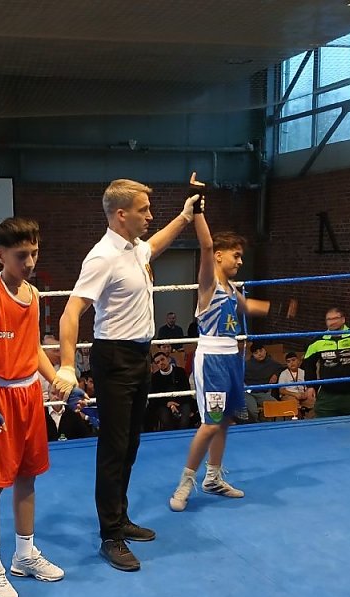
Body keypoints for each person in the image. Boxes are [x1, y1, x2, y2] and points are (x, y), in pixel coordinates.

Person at [53, 177, 200, 572]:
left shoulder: (135, 248)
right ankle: (110, 535)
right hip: (114, 357)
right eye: (143, 210)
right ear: (121, 215)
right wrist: (66, 364)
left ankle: (120, 517)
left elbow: (158, 244)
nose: (150, 216)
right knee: (114, 447)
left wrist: (185, 216)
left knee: (132, 442)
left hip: (139, 356)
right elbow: (71, 312)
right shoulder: (102, 256)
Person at [0, 217, 63, 597]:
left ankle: (24, 555)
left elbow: (33, 348)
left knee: (27, 477)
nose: (30, 262)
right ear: (0, 254)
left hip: (29, 395)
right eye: (22, 255)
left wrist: (58, 381)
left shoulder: (34, 295)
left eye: (34, 253)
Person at [168, 184, 252, 512]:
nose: (240, 261)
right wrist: (198, 209)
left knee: (226, 419)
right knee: (211, 422)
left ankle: (213, 477)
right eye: (236, 255)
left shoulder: (232, 288)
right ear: (219, 255)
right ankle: (185, 481)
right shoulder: (209, 283)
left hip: (232, 358)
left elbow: (248, 309)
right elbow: (205, 245)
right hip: (212, 360)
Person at [302, 308, 350, 417]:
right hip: (328, 394)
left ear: (343, 319)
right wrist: (310, 386)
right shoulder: (317, 341)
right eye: (329, 319)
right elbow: (308, 364)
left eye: (335, 318)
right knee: (324, 424)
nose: (332, 322)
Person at [147, 348, 194, 431]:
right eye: (158, 362)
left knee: (184, 420)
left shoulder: (180, 372)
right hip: (164, 404)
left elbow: (186, 390)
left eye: (162, 359)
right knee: (165, 419)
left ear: (168, 359)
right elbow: (154, 398)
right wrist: (168, 403)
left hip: (182, 401)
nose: (161, 363)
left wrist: (176, 403)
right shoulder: (155, 378)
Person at [244, 342, 284, 421]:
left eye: (261, 351)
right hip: (248, 393)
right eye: (256, 353)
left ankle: (277, 427)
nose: (259, 354)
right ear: (253, 355)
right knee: (253, 411)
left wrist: (275, 374)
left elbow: (280, 368)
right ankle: (256, 427)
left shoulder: (272, 363)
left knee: (278, 407)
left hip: (262, 393)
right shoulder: (246, 365)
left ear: (265, 350)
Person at [277, 351, 315, 416]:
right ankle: (298, 420)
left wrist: (306, 393)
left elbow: (309, 387)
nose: (291, 363)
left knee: (312, 401)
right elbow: (281, 390)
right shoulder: (283, 373)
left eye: (293, 360)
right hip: (290, 395)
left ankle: (310, 420)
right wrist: (295, 394)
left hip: (302, 394)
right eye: (288, 362)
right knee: (293, 402)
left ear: (298, 361)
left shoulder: (303, 372)